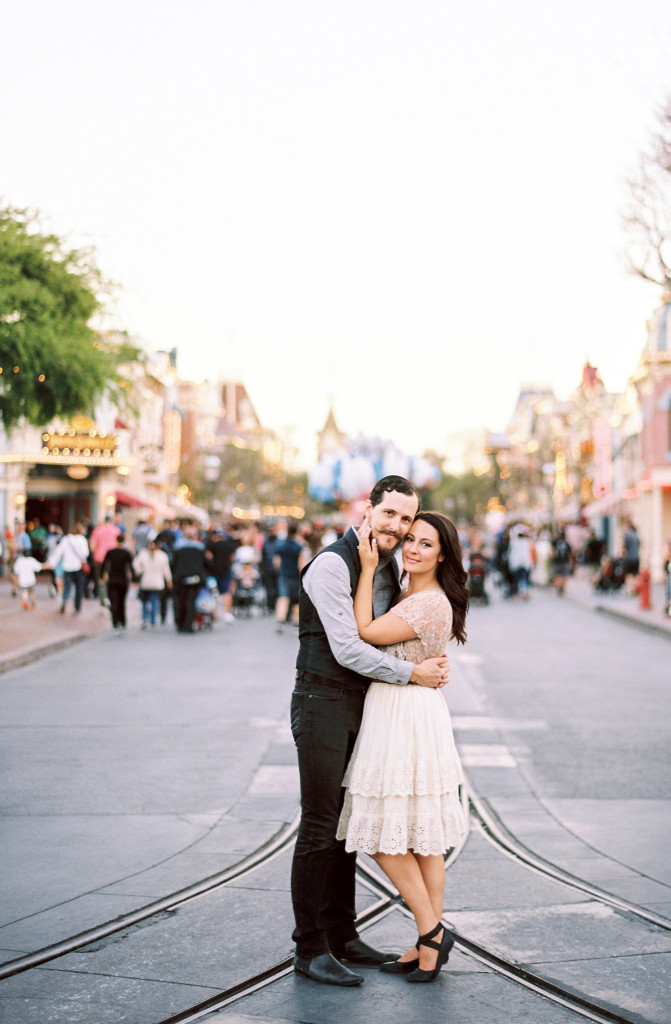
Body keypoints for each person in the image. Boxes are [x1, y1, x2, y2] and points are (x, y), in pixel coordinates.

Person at [290, 476, 450, 988]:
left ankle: (342, 934)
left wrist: (424, 655)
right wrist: (415, 673)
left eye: (407, 521)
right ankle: (310, 947)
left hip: (361, 706)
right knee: (320, 825)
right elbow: (348, 648)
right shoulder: (333, 565)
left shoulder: (382, 567)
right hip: (321, 702)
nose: (398, 528)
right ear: (369, 510)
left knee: (346, 826)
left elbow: (406, 628)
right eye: (391, 516)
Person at [336, 511, 468, 983]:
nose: (412, 548)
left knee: (380, 833)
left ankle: (432, 931)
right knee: (422, 840)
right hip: (410, 709)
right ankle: (426, 944)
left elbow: (365, 634)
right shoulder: (415, 592)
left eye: (426, 544)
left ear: (443, 554)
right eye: (409, 539)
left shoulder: (427, 601)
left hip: (402, 713)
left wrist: (368, 569)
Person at [171, 525, 208, 633]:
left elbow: (173, 563)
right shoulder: (199, 548)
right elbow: (205, 563)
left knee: (181, 601)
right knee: (191, 602)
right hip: (195, 577)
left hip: (181, 577)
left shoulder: (178, 548)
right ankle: (188, 624)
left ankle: (181, 623)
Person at [48, 524, 89, 614]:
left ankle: (64, 600)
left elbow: (58, 552)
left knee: (67, 586)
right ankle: (77, 607)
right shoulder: (82, 540)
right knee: (79, 587)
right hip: (78, 567)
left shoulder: (66, 539)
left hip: (67, 566)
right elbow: (85, 553)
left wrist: (51, 563)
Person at [133, 538, 172, 628]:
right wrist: (169, 580)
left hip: (145, 582)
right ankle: (153, 621)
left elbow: (136, 565)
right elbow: (166, 570)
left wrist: (139, 572)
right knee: (154, 601)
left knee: (144, 602)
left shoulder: (143, 554)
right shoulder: (162, 555)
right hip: (157, 583)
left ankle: (144, 618)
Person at [274, 521, 306, 632]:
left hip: (284, 575)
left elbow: (276, 562)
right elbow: (301, 564)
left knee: (283, 597)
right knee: (296, 600)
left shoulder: (281, 545)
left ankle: (280, 621)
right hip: (295, 576)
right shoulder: (299, 546)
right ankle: (296, 622)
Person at [101, 534, 133, 632]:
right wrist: (135, 579)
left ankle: (115, 622)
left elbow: (104, 565)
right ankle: (122, 621)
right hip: (123, 580)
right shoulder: (126, 553)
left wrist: (101, 576)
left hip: (113, 580)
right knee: (121, 602)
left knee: (114, 602)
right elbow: (131, 567)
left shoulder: (110, 552)